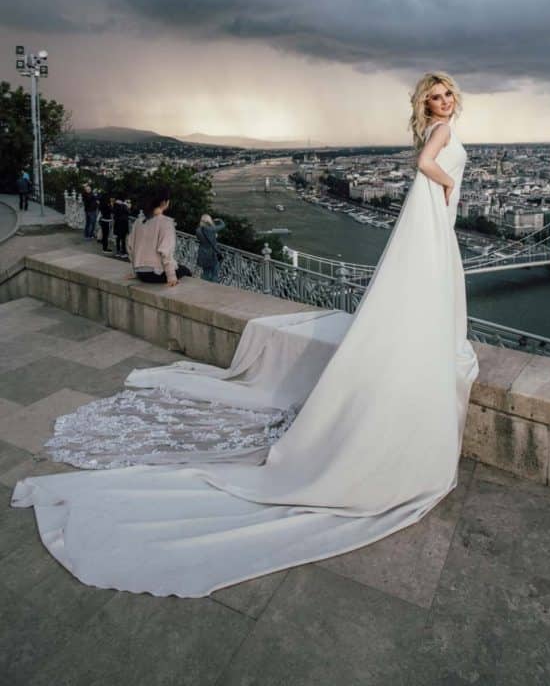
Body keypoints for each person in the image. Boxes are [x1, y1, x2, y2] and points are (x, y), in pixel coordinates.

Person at [12, 72, 480, 599]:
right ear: (427, 104)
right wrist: (445, 183)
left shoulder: (436, 129)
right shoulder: (439, 134)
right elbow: (427, 168)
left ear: (452, 97)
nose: (441, 102)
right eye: (433, 97)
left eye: (445, 95)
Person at [126, 185, 192, 285]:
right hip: (155, 274)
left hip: (140, 273)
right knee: (186, 271)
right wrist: (171, 277)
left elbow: (130, 247)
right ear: (164, 203)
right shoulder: (166, 223)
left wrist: (134, 271)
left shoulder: (138, 222)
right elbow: (165, 252)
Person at [195, 213, 225, 281]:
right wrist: (219, 220)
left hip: (202, 253)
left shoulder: (198, 230)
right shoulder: (211, 229)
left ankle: (204, 288)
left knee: (206, 273)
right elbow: (223, 225)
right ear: (209, 220)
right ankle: (213, 289)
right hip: (212, 254)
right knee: (215, 273)